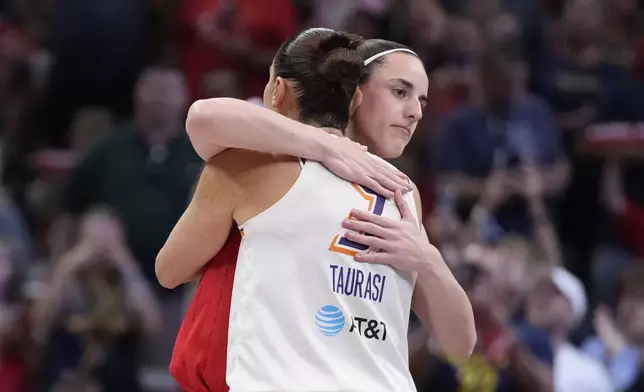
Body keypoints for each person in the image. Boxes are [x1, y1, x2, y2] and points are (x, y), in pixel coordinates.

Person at [156, 28, 474, 391]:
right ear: (356, 96)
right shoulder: (403, 193)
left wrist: (427, 259)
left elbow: (168, 270)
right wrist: (326, 145)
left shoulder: (247, 167)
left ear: (277, 91)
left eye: (421, 100)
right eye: (399, 92)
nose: (414, 112)